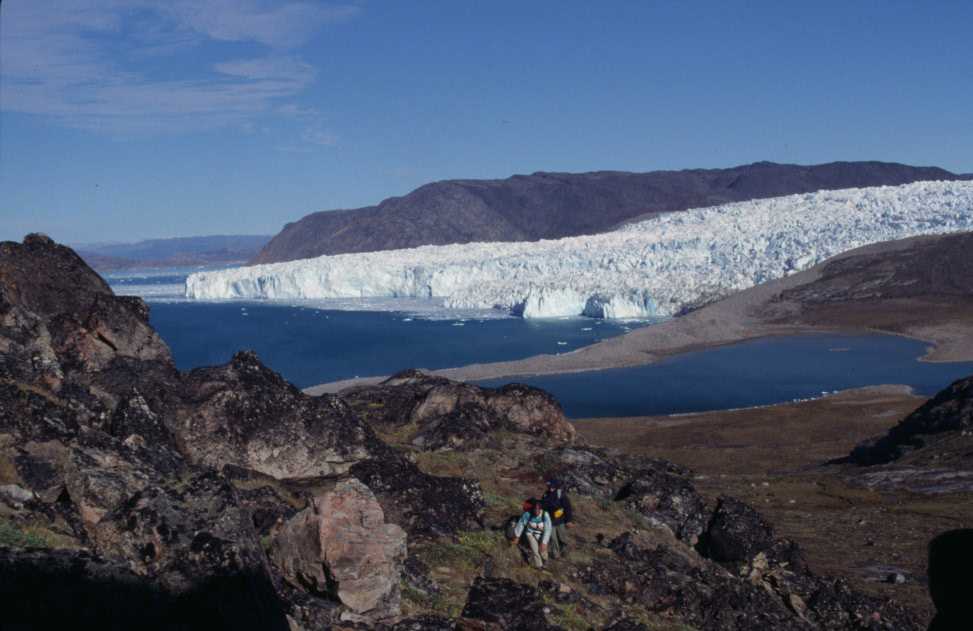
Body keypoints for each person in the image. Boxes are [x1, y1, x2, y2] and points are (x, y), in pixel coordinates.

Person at [509, 498, 551, 569]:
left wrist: (544, 542)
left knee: (542, 550)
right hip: (530, 533)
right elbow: (521, 524)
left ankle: (545, 560)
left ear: (541, 509)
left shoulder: (545, 515)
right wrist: (517, 537)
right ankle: (539, 566)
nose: (536, 511)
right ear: (532, 509)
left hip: (541, 534)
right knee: (535, 549)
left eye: (538, 509)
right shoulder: (527, 514)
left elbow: (548, 529)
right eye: (535, 509)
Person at [541, 478, 573, 558]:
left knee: (562, 537)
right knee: (553, 539)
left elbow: (567, 508)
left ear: (555, 486)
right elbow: (543, 507)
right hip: (550, 521)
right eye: (549, 486)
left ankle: (564, 551)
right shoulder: (545, 495)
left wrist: (569, 520)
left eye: (552, 486)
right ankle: (556, 555)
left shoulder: (560, 494)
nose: (550, 488)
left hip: (560, 521)